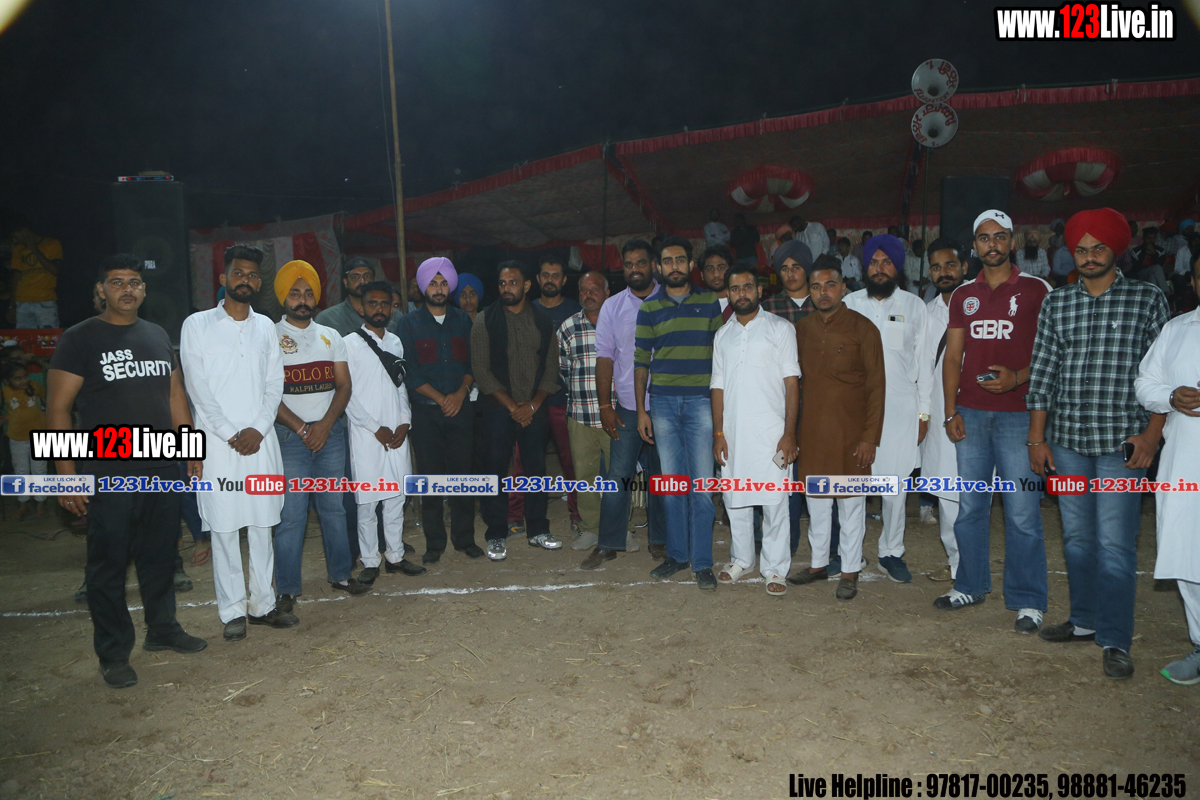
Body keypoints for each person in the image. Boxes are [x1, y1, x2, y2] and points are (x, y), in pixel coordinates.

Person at [50, 253, 207, 688]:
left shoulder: (157, 335)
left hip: (163, 465)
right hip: (107, 468)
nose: (127, 289)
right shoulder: (79, 338)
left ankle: (163, 630)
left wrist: (190, 448)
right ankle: (114, 652)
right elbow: (59, 408)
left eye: (134, 282)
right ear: (101, 289)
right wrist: (65, 474)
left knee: (160, 554)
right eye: (117, 282)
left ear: (144, 289)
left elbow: (175, 396)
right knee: (109, 562)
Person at [1026, 208, 1169, 680]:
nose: (1088, 257)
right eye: (1081, 250)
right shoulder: (1058, 303)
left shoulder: (1146, 299)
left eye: (1098, 248)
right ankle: (1084, 620)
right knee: (1076, 538)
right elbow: (1043, 373)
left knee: (1115, 544)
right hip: (1067, 441)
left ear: (1116, 250)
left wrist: (1151, 436)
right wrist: (1036, 438)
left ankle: (1115, 638)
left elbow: (1163, 375)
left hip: (1121, 444)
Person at [936, 210, 1052, 633]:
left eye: (1000, 237)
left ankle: (1028, 600)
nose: (992, 244)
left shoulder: (1037, 289)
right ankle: (969, 585)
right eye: (984, 238)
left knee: (1022, 511)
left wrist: (1017, 378)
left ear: (1012, 242)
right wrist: (951, 411)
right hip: (971, 415)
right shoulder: (963, 295)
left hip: (1020, 417)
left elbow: (1051, 355)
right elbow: (953, 358)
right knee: (971, 507)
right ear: (975, 246)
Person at [182, 244, 295, 641]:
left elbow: (274, 383)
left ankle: (263, 604)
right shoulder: (197, 325)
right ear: (223, 278)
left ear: (259, 283)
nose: (245, 280)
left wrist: (258, 428)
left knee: (263, 523)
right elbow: (197, 388)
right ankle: (232, 611)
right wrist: (232, 432)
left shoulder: (266, 327)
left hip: (260, 443)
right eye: (238, 273)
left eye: (252, 275)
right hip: (218, 445)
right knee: (224, 527)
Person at [271, 260, 370, 612]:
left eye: (308, 293)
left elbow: (344, 386)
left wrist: (326, 425)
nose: (302, 300)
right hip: (289, 439)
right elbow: (267, 394)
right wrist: (302, 428)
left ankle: (341, 574)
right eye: (295, 293)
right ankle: (286, 589)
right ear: (283, 298)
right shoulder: (269, 337)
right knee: (291, 515)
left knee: (333, 509)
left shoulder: (331, 335)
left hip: (330, 436)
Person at [788, 256, 885, 600]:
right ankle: (818, 565)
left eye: (830, 285)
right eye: (816, 287)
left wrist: (869, 438)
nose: (823, 293)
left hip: (850, 436)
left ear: (844, 288)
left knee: (851, 506)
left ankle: (849, 570)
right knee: (816, 504)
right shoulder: (801, 329)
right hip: (813, 433)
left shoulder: (863, 328)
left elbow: (877, 387)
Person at [634, 236, 724, 590]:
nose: (675, 266)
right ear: (659, 267)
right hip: (663, 405)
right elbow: (641, 361)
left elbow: (720, 356)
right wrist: (641, 411)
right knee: (673, 486)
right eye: (668, 261)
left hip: (701, 402)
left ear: (691, 264)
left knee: (701, 487)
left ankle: (702, 562)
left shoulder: (709, 302)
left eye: (681, 260)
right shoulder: (649, 308)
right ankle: (677, 556)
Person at [844, 234, 932, 584]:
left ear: (898, 267)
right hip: (855, 408)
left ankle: (891, 552)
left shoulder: (915, 306)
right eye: (873, 262)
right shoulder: (849, 304)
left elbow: (924, 365)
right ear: (864, 267)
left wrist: (924, 413)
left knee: (895, 485)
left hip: (900, 408)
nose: (879, 269)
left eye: (887, 262)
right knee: (854, 483)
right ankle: (850, 553)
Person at [711, 264, 800, 595]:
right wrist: (718, 433)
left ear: (759, 290)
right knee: (735, 499)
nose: (742, 294)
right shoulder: (723, 335)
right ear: (728, 294)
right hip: (734, 434)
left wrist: (789, 434)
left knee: (775, 502)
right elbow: (717, 387)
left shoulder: (781, 329)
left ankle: (775, 569)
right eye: (735, 289)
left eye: (747, 287)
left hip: (772, 435)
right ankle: (742, 559)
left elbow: (792, 384)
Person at [1135, 247, 1200, 685]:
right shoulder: (1178, 329)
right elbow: (1146, 383)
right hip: (1185, 459)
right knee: (1187, 551)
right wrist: (1171, 397)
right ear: (1193, 282)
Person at [394, 258, 484, 563]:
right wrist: (441, 398)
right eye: (433, 283)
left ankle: (465, 539)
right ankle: (434, 543)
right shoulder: (408, 324)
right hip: (425, 413)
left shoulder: (463, 321)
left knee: (463, 477)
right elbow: (409, 371)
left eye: (444, 283)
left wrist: (459, 394)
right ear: (423, 287)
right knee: (430, 478)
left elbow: (473, 364)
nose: (439, 289)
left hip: (461, 409)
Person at [471, 261, 562, 560]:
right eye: (502, 283)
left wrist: (533, 405)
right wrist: (513, 406)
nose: (506, 288)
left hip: (535, 407)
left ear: (526, 285)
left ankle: (537, 530)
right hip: (498, 408)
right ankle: (496, 533)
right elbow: (481, 370)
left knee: (536, 468)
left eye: (512, 282)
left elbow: (551, 368)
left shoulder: (543, 320)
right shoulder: (485, 320)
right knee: (495, 469)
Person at [342, 281, 425, 583]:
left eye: (385, 304)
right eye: (372, 304)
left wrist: (405, 422)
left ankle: (395, 555)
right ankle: (369, 561)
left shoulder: (396, 342)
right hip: (366, 435)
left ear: (392, 308)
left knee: (396, 498)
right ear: (361, 308)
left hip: (396, 434)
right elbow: (346, 394)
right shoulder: (348, 344)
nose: (379, 309)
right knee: (367, 502)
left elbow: (400, 386)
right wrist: (374, 427)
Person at [594, 240, 667, 564]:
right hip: (626, 407)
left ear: (653, 265)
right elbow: (604, 358)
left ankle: (661, 541)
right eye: (628, 264)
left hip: (665, 405)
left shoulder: (670, 300)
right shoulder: (612, 307)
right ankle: (608, 543)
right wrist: (605, 406)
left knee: (661, 476)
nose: (634, 269)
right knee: (618, 477)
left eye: (641, 263)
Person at [509, 257, 583, 536]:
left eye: (556, 275)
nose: (550, 280)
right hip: (531, 401)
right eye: (545, 275)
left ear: (564, 280)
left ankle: (578, 514)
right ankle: (515, 514)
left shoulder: (576, 310)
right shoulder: (525, 310)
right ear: (537, 280)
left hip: (566, 400)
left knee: (572, 460)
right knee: (522, 462)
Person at [557, 272, 614, 562]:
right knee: (585, 476)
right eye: (583, 290)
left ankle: (622, 529)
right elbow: (563, 370)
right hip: (580, 415)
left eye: (594, 289)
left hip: (616, 415)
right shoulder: (568, 327)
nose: (588, 294)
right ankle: (591, 529)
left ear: (607, 292)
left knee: (619, 475)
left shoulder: (618, 323)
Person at [920, 238, 967, 582]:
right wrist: (924, 415)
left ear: (964, 266)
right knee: (947, 493)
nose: (944, 272)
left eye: (950, 264)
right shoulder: (926, 312)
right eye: (936, 267)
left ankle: (974, 562)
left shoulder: (982, 303)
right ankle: (957, 564)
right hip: (940, 413)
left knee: (978, 493)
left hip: (980, 410)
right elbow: (922, 368)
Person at [1, 361, 48, 518]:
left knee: (40, 470)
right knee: (21, 471)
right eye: (17, 378)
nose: (23, 381)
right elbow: (12, 411)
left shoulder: (35, 386)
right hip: (17, 437)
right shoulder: (4, 391)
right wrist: (6, 417)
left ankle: (40, 503)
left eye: (25, 376)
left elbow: (47, 400)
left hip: (39, 436)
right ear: (7, 380)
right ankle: (23, 503)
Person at [316, 256, 403, 337]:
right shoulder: (328, 319)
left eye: (367, 276)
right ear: (345, 282)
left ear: (374, 279)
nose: (362, 281)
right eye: (355, 277)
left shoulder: (394, 316)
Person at [7, 220, 62, 329]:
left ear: (24, 231)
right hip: (22, 302)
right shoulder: (18, 249)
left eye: (15, 236)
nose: (14, 240)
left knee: (48, 337)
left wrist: (33, 247)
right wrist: (12, 306)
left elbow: (55, 270)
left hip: (45, 301)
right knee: (23, 337)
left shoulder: (52, 244)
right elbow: (15, 278)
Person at [699, 244, 735, 321]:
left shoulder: (742, 300)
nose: (716, 274)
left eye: (721, 268)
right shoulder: (696, 304)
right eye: (710, 269)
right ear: (702, 275)